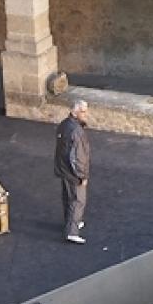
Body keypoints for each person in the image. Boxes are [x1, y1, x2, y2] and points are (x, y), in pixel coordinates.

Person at [54, 99, 91, 244]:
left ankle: (71, 222)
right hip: (73, 172)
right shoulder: (77, 131)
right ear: (75, 112)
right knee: (77, 200)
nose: (85, 114)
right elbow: (77, 156)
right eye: (82, 111)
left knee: (68, 197)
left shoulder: (64, 124)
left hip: (63, 169)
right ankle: (72, 231)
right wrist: (82, 175)